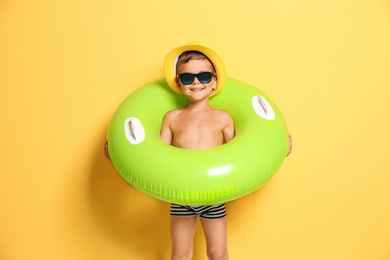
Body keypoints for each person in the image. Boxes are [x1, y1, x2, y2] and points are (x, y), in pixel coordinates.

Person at [160, 50, 234, 260]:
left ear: (214, 81)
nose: (196, 82)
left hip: (214, 196)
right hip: (182, 195)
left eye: (203, 76)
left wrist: (278, 149)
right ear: (179, 83)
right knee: (180, 255)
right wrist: (120, 155)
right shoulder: (172, 118)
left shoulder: (223, 118)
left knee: (218, 253)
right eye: (187, 77)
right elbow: (157, 157)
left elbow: (241, 156)